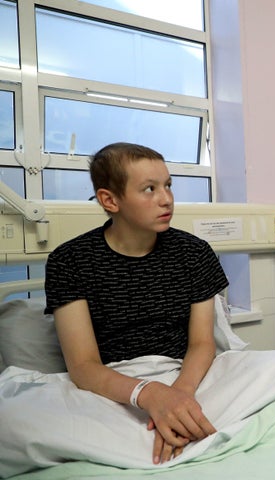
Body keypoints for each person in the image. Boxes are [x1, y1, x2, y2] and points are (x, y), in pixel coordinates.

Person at [44, 142, 229, 465]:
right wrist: (151, 395)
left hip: (186, 374)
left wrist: (179, 396)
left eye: (168, 185)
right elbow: (84, 367)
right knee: (18, 420)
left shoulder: (194, 253)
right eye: (149, 189)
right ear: (110, 200)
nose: (166, 199)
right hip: (114, 385)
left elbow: (202, 343)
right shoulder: (69, 261)